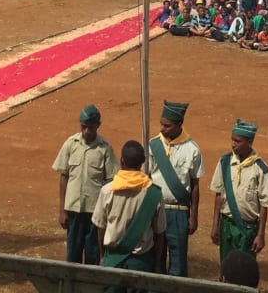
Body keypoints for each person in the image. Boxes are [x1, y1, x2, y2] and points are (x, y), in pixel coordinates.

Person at [92, 140, 166, 286]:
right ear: (142, 163)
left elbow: (101, 227)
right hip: (141, 262)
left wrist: (102, 256)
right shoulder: (154, 194)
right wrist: (157, 264)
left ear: (121, 161)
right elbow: (159, 233)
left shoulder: (108, 190)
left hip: (113, 260)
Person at [51, 105, 117, 265]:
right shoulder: (70, 144)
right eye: (84, 126)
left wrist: (107, 213)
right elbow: (64, 177)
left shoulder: (105, 149)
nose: (87, 130)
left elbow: (110, 182)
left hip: (95, 212)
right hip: (73, 210)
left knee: (93, 254)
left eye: (91, 127)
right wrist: (62, 210)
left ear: (98, 125)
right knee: (72, 254)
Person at [148, 101, 204, 277]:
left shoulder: (193, 149)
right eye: (161, 124)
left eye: (167, 125)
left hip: (179, 211)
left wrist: (193, 215)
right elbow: (146, 178)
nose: (162, 128)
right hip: (157, 209)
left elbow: (195, 185)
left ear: (179, 125)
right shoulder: (152, 145)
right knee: (155, 261)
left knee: (178, 262)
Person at [210, 120, 268, 263]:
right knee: (226, 266)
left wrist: (260, 235)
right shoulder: (224, 162)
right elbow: (218, 195)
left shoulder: (260, 168)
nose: (233, 144)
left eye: (238, 141)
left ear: (250, 141)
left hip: (247, 229)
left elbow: (264, 204)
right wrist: (215, 225)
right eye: (232, 140)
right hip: (226, 225)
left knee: (243, 268)